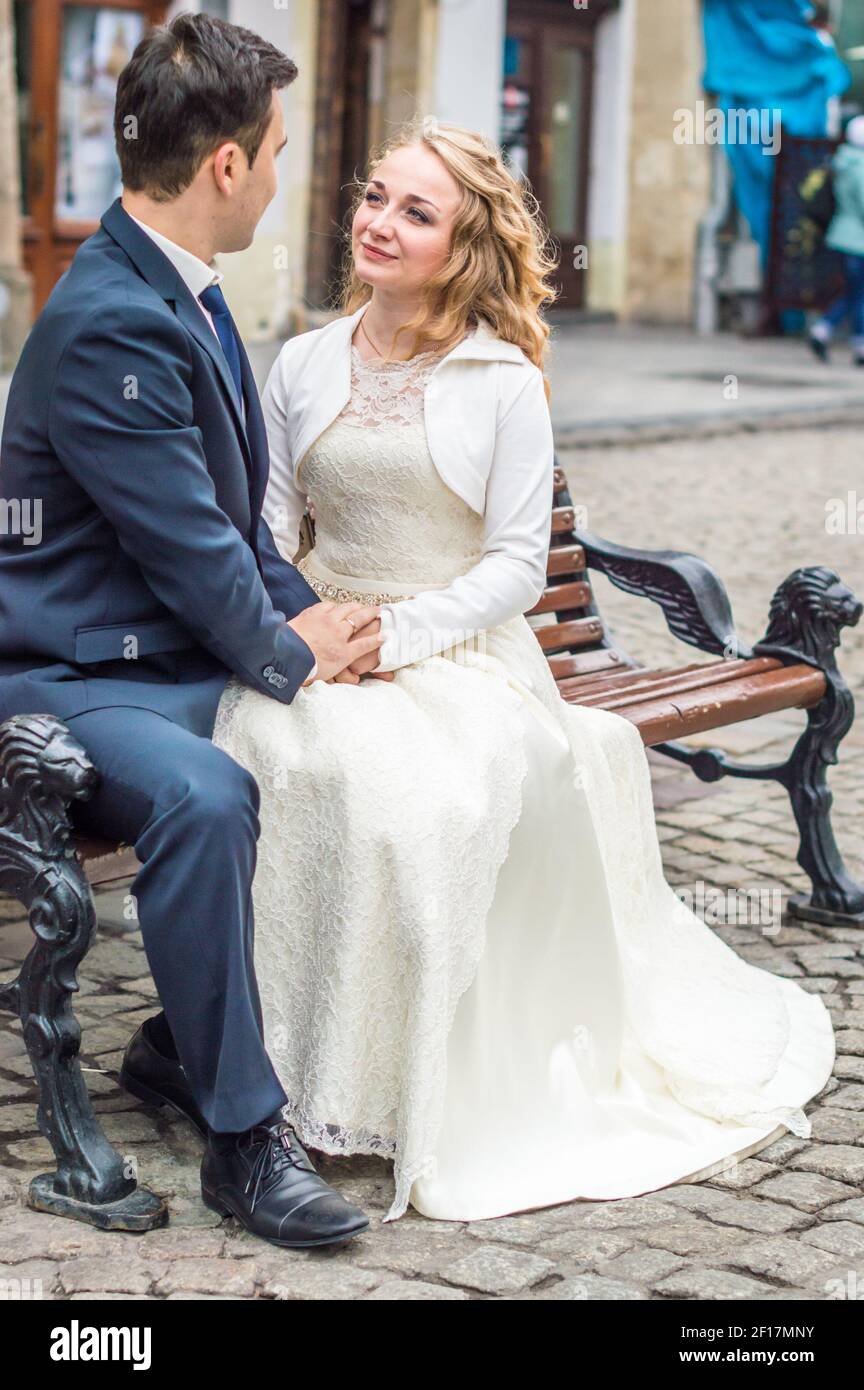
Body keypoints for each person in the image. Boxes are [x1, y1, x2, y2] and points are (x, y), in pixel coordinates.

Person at [208, 120, 837, 1223]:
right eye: (374, 197)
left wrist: (396, 641)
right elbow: (266, 526)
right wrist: (311, 630)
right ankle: (270, 1070)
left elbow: (510, 569)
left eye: (416, 212)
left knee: (418, 804)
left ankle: (396, 1080)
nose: (379, 224)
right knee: (265, 753)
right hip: (323, 642)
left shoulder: (501, 380)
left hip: (461, 657)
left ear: (463, 246)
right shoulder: (304, 361)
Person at [0, 14, 381, 1248]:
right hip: (67, 678)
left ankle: (175, 1040)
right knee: (207, 797)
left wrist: (308, 622)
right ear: (226, 165)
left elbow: (234, 532)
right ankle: (243, 1140)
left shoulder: (183, 293)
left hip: (154, 659)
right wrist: (288, 650)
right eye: (274, 150)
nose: (279, 174)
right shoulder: (113, 320)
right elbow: (192, 553)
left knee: (363, 743)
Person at [809, 114, 864, 365]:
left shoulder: (842, 161)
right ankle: (853, 341)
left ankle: (827, 331)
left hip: (841, 236)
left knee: (854, 293)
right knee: (858, 294)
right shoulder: (860, 166)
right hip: (857, 241)